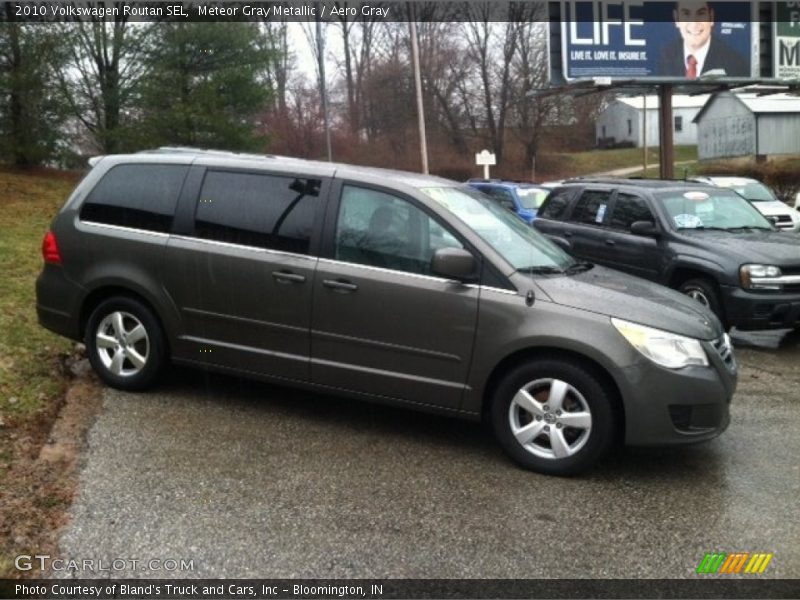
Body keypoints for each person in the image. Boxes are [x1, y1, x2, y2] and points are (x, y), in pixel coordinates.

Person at [658, 0, 749, 78]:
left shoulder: (734, 62)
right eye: (686, 14)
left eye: (701, 13)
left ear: (711, 17)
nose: (694, 23)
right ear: (676, 19)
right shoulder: (666, 56)